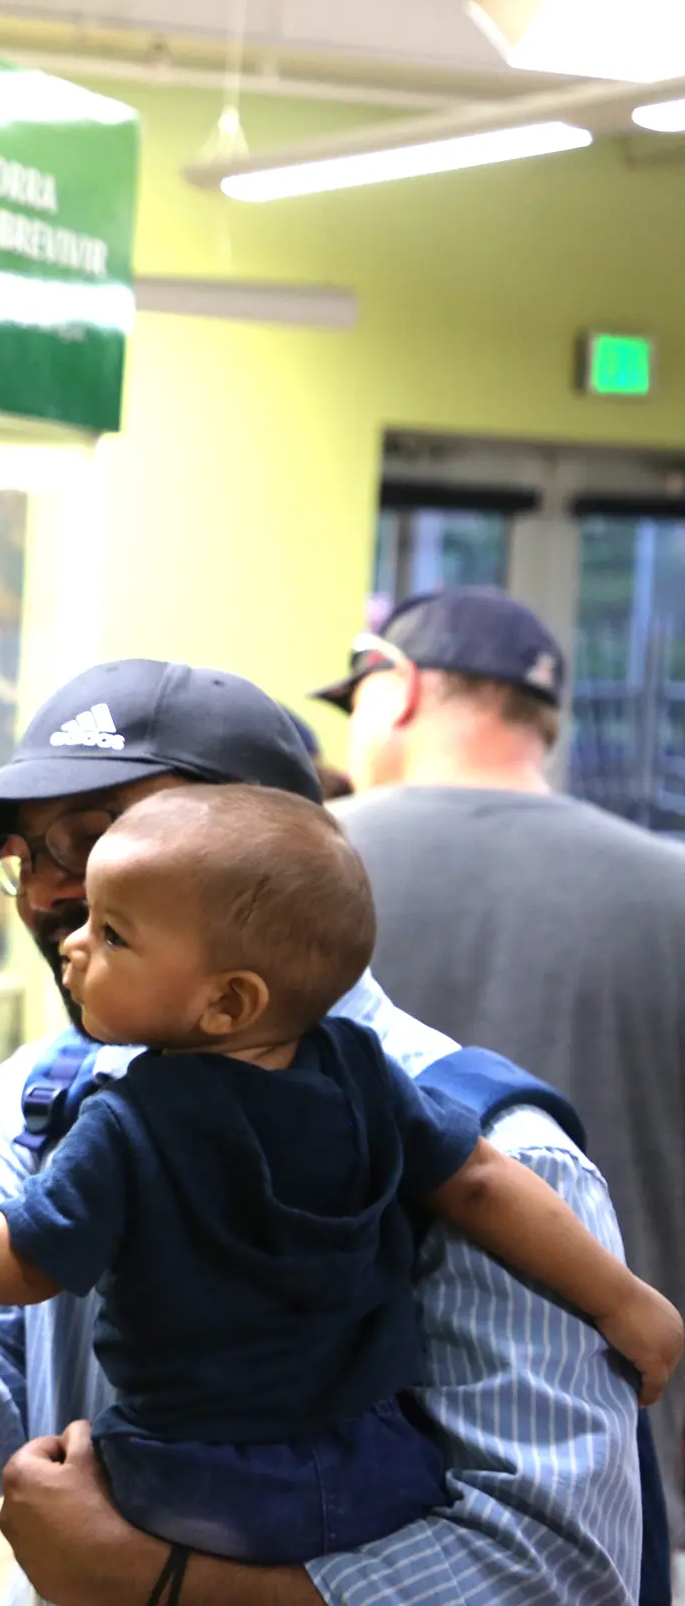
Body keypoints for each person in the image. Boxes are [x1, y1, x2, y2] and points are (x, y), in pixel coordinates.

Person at [0, 658, 654, 1605]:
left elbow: (558, 1569)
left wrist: (152, 1581)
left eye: (102, 840)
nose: (47, 895)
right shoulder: (35, 1098)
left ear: (270, 857)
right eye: (26, 852)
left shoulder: (504, 1152)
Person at [317, 585, 685, 1562]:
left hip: (319, 1487)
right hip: (610, 1476)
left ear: (393, 689)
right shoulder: (673, 892)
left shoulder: (284, 881)